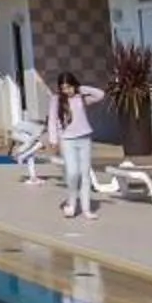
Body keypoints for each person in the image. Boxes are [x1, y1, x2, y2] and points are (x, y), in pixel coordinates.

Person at [48, 70, 106, 220]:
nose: (66, 91)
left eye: (69, 87)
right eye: (63, 88)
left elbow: (100, 95)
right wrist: (53, 140)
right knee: (73, 173)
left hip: (84, 138)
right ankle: (71, 203)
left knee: (85, 174)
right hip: (67, 140)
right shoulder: (56, 100)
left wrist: (81, 89)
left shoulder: (81, 98)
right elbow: (52, 120)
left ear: (74, 85)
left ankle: (86, 209)